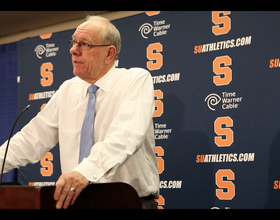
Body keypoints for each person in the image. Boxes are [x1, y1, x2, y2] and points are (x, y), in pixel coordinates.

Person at [0, 15, 159, 209]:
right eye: (73, 42)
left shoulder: (135, 80)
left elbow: (125, 136)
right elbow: (31, 138)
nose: (73, 50)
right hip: (77, 202)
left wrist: (85, 172)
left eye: (84, 44)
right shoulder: (68, 89)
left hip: (126, 202)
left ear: (109, 53)